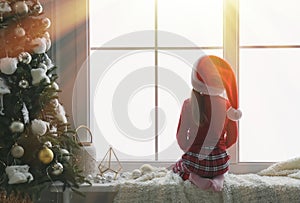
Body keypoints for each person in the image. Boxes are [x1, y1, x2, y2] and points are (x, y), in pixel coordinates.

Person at [172, 55, 242, 191]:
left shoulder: (188, 104)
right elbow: (233, 138)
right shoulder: (227, 105)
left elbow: (181, 136)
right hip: (219, 162)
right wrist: (220, 148)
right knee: (222, 170)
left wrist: (190, 150)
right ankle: (219, 180)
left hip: (195, 162)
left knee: (178, 167)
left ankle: (195, 177)